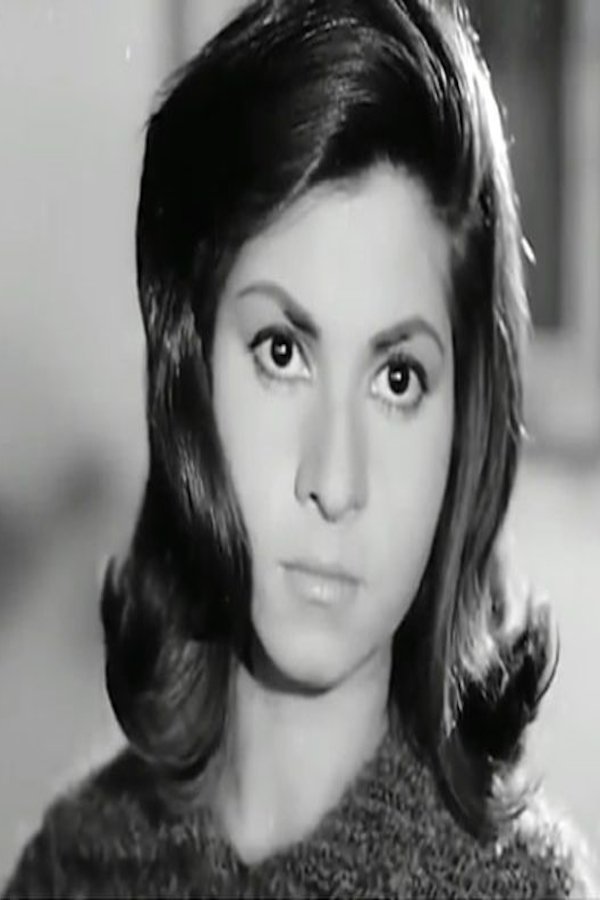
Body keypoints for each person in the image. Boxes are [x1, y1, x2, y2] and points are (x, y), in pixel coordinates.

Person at [3, 0, 598, 896]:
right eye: (282, 353)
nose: (334, 480)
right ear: (191, 375)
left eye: (398, 378)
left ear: (465, 426)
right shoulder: (72, 865)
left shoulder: (524, 891)